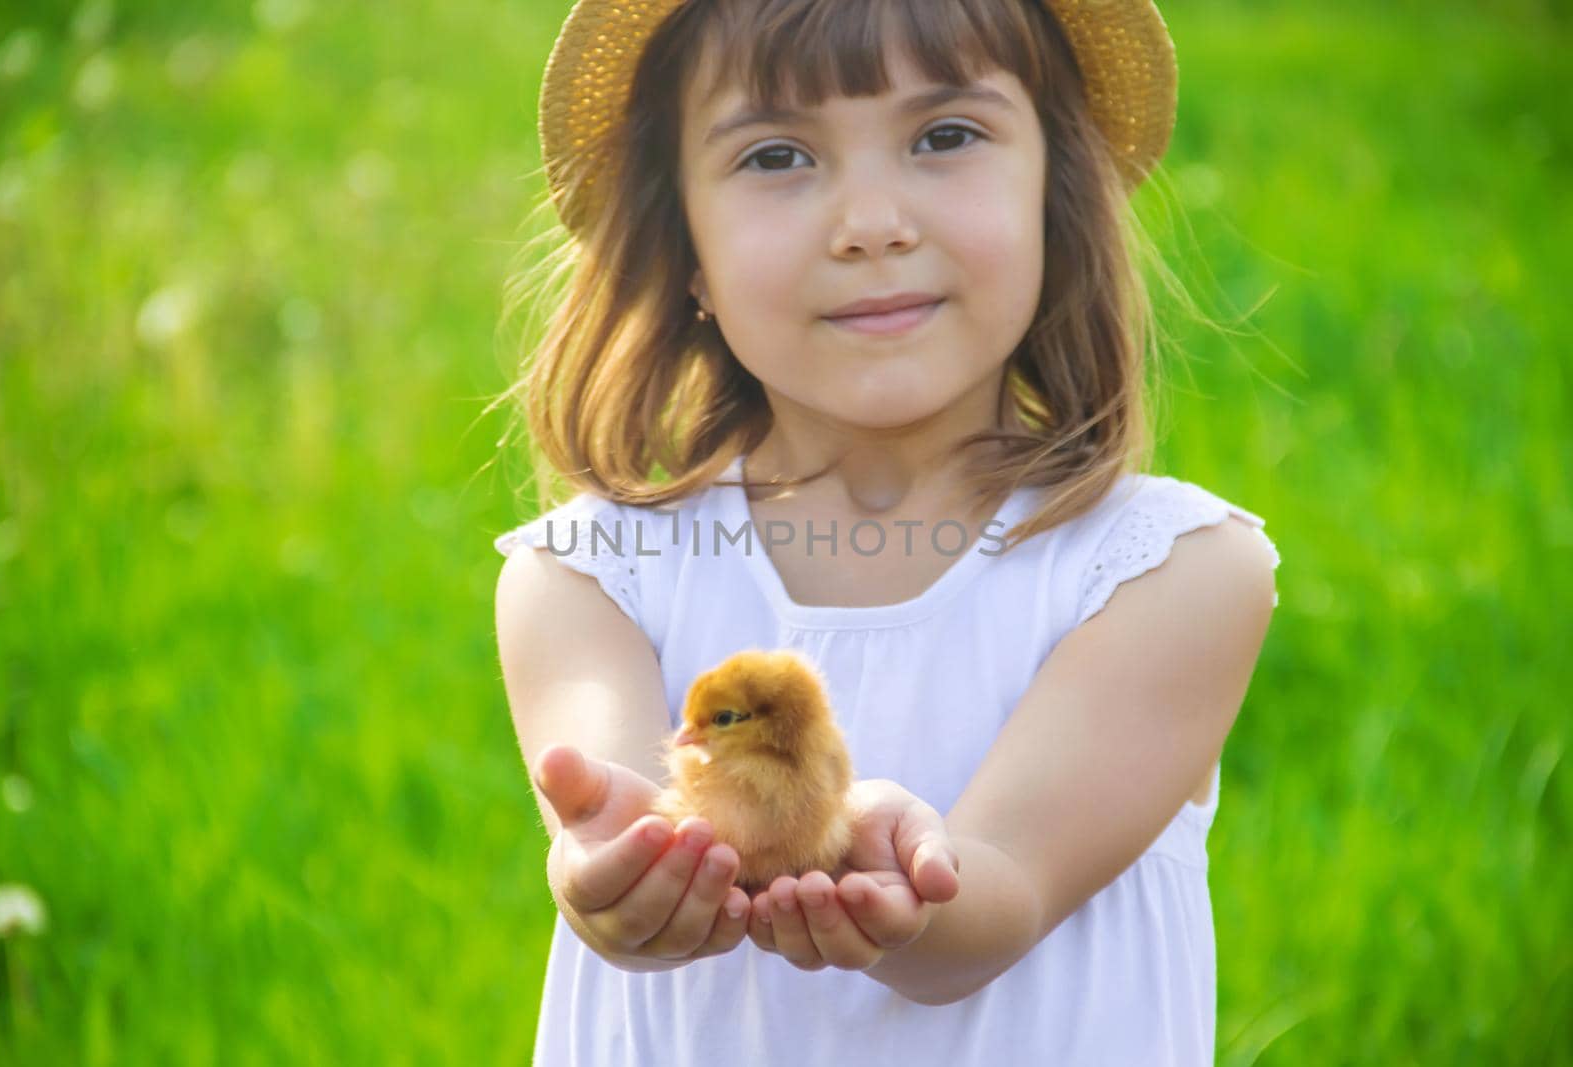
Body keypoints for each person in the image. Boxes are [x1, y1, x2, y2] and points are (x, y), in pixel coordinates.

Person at [491, 0, 1282, 1062]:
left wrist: (896, 866)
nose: (871, 222)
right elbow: (620, 818)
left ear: (1057, 195)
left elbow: (991, 903)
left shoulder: (1166, 573)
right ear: (684, 249)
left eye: (944, 136)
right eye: (776, 155)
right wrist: (619, 877)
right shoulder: (590, 575)